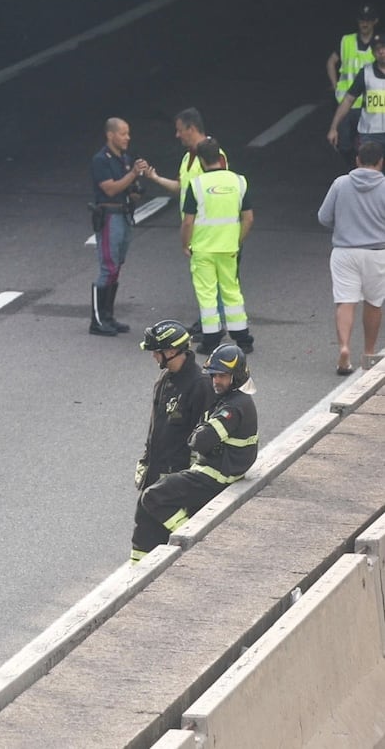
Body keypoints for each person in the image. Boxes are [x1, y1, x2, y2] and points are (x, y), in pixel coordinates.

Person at [137, 342, 258, 544]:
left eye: (222, 376)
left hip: (215, 475)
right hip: (220, 472)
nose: (215, 381)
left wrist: (199, 431)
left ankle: (190, 534)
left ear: (236, 377)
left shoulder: (232, 408)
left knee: (153, 496)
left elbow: (199, 441)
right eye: (214, 375)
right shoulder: (233, 400)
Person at [144, 108, 233, 338]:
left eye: (180, 130)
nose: (177, 135)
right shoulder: (188, 157)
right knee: (204, 283)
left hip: (212, 231)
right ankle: (207, 320)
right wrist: (155, 178)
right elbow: (180, 187)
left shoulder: (215, 155)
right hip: (197, 230)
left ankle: (213, 327)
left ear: (191, 129)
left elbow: (221, 189)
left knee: (215, 282)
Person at [130, 321, 213, 562]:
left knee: (178, 540)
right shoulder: (164, 380)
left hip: (178, 481)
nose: (154, 356)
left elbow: (202, 438)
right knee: (142, 538)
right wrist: (146, 460)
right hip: (155, 476)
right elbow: (155, 428)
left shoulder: (200, 385)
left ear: (172, 351)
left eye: (157, 351)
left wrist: (187, 476)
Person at [317, 140, 385, 374]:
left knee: (346, 301)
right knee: (374, 303)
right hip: (377, 253)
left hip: (344, 252)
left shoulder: (341, 184)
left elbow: (324, 217)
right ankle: (368, 353)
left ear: (357, 160)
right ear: (381, 162)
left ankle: (345, 349)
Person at [181, 138, 254, 356]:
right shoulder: (239, 182)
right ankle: (243, 339)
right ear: (221, 158)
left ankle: (211, 340)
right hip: (229, 248)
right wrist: (237, 240)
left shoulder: (197, 185)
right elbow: (248, 218)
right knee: (232, 292)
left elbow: (188, 221)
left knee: (207, 295)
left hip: (202, 249)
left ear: (202, 161)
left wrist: (185, 244)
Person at [89, 117, 149, 336]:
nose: (127, 138)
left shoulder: (124, 158)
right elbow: (110, 189)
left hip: (124, 216)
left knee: (117, 267)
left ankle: (108, 317)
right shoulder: (101, 160)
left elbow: (128, 189)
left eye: (128, 133)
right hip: (109, 218)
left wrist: (137, 185)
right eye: (123, 133)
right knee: (108, 267)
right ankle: (97, 320)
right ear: (111, 135)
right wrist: (132, 173)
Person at [327, 3, 379, 163]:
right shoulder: (347, 41)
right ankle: (354, 168)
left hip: (368, 105)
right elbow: (331, 62)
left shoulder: (379, 45)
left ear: (375, 21)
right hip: (346, 102)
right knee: (345, 146)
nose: (365, 23)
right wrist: (336, 85)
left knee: (369, 146)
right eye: (362, 19)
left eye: (368, 20)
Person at [329, 34, 385, 154]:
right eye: (377, 48)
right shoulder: (365, 73)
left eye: (384, 47)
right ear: (373, 52)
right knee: (370, 171)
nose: (381, 51)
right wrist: (334, 127)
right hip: (370, 135)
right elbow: (348, 100)